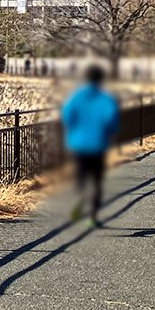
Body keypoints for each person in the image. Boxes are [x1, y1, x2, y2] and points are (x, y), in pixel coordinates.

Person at [62, 65, 121, 227]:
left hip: (78, 142)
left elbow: (67, 116)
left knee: (80, 174)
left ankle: (81, 196)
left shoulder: (76, 97)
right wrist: (111, 133)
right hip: (98, 143)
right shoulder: (106, 98)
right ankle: (93, 216)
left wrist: (75, 129)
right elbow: (112, 120)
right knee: (97, 180)